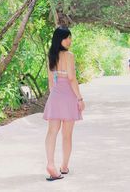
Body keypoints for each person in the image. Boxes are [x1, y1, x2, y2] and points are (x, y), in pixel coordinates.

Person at [43, 26, 85, 181]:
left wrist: (55, 95)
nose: (69, 41)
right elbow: (72, 78)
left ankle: (50, 163)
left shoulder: (51, 55)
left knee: (51, 132)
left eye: (70, 37)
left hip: (55, 96)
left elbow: (50, 81)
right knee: (67, 135)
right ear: (59, 39)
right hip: (68, 96)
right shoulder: (69, 56)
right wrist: (79, 98)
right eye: (66, 37)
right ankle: (64, 166)